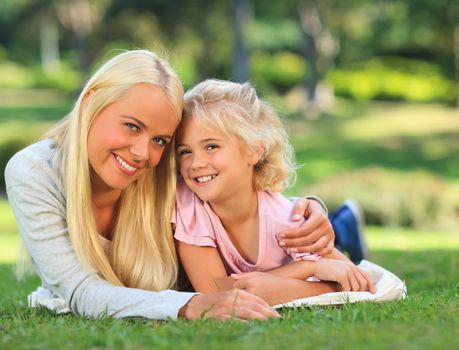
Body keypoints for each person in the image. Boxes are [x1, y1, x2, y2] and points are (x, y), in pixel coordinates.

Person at [4, 50, 337, 321]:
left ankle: (344, 223)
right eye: (132, 126)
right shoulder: (35, 172)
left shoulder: (164, 171)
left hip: (267, 255)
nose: (142, 154)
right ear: (91, 101)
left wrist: (309, 207)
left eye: (160, 140)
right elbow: (80, 291)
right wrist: (189, 305)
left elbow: (236, 186)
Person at [174, 79, 375, 306]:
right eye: (185, 151)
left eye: (211, 146)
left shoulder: (285, 220)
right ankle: (344, 223)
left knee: (321, 236)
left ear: (254, 151)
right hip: (297, 251)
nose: (195, 163)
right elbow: (215, 291)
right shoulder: (189, 201)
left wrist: (296, 275)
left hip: (297, 232)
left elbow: (363, 284)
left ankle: (346, 223)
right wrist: (308, 268)